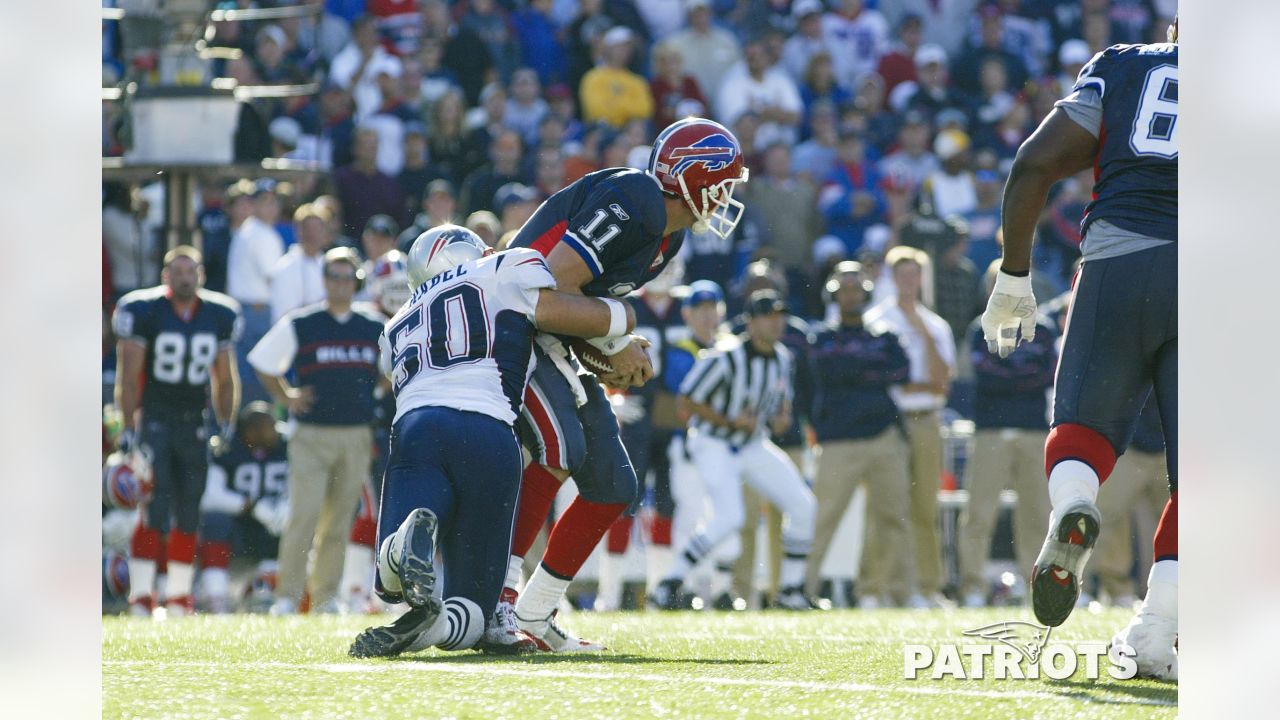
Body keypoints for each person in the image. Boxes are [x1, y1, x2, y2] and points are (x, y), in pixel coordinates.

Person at [499, 117, 750, 651]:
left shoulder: (670, 236)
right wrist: (620, 328)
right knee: (558, 449)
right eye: (723, 183)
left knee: (614, 484)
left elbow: (570, 310)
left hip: (548, 338)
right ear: (692, 177)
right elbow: (548, 285)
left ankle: (536, 611)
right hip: (506, 327)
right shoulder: (637, 197)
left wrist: (607, 353)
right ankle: (497, 602)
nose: (727, 198)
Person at [979, 20, 1178, 680]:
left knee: (1083, 427)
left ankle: (1072, 504)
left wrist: (1013, 274)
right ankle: (1157, 631)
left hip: (1118, 261)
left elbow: (1036, 161)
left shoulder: (1124, 64)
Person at [346, 225, 640, 658]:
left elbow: (394, 370)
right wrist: (623, 323)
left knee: (391, 585)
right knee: (478, 614)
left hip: (416, 429)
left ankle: (404, 557)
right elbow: (563, 312)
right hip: (488, 430)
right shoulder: (504, 266)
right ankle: (449, 614)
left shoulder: (395, 322)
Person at [650, 290, 818, 611]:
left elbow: (778, 410)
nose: (776, 322)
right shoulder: (725, 356)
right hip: (714, 441)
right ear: (751, 322)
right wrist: (728, 419)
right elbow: (686, 401)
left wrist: (780, 420)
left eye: (780, 315)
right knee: (730, 516)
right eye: (768, 315)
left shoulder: (783, 358)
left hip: (752, 444)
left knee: (803, 505)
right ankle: (671, 582)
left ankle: (791, 590)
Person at [248, 247, 387, 615]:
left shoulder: (374, 325)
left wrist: (373, 391)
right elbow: (263, 361)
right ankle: (287, 597)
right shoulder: (303, 322)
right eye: (333, 276)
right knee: (303, 516)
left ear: (356, 282)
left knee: (339, 520)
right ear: (324, 280)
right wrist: (286, 396)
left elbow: (393, 370)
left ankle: (326, 597)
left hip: (356, 433)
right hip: (310, 434)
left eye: (346, 277)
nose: (339, 284)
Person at [112, 246, 242, 616]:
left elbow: (224, 376)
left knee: (189, 508)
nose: (185, 277)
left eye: (191, 270)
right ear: (165, 275)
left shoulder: (219, 313)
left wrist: (226, 420)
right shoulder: (144, 309)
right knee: (154, 506)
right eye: (177, 270)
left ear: (201, 274)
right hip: (155, 417)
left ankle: (179, 595)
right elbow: (128, 376)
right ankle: (141, 594)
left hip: (194, 420)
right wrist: (127, 424)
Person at [805, 262, 912, 608]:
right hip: (837, 441)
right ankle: (802, 589)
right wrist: (868, 370)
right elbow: (827, 370)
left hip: (884, 437)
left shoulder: (885, 335)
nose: (850, 295)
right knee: (820, 519)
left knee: (890, 518)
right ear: (833, 296)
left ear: (866, 293)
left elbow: (901, 370)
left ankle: (875, 591)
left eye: (856, 289)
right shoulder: (820, 336)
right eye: (843, 290)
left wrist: (852, 369)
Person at [956, 263, 1057, 607]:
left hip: (1031, 431)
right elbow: (985, 375)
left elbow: (1043, 375)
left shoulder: (1042, 328)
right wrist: (1019, 373)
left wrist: (1009, 371)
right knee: (978, 512)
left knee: (1036, 513)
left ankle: (1036, 589)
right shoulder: (979, 327)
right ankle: (971, 586)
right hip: (991, 431)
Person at [865, 246, 956, 608]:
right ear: (892, 278)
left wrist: (921, 331)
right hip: (890, 420)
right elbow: (887, 384)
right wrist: (919, 384)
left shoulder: (934, 325)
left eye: (913, 274)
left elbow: (942, 382)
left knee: (924, 506)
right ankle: (877, 587)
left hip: (927, 420)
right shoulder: (877, 320)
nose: (907, 281)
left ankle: (927, 586)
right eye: (901, 274)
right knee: (887, 506)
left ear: (921, 278)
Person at [595, 260, 686, 611]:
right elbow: (601, 355)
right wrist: (612, 398)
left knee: (667, 503)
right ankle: (610, 593)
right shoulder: (628, 305)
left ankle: (659, 592)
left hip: (674, 417)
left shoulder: (688, 305)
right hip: (635, 415)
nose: (666, 271)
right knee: (624, 502)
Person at [195, 402, 289, 614]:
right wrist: (251, 506)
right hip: (239, 526)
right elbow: (210, 496)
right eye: (268, 427)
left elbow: (303, 482)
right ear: (251, 431)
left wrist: (288, 505)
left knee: (300, 523)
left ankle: (276, 594)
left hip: (275, 524)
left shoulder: (286, 446)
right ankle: (216, 597)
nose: (275, 431)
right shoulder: (228, 449)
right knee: (214, 522)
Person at [226, 179, 286, 405]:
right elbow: (274, 279)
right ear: (253, 205)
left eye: (274, 202)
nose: (271, 208)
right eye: (264, 202)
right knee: (258, 377)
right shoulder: (262, 234)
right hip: (256, 313)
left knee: (244, 375)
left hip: (245, 310)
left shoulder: (247, 230)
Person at [269, 203, 333, 323]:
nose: (311, 234)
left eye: (316, 229)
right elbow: (283, 313)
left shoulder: (329, 265)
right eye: (307, 228)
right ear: (298, 231)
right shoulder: (285, 266)